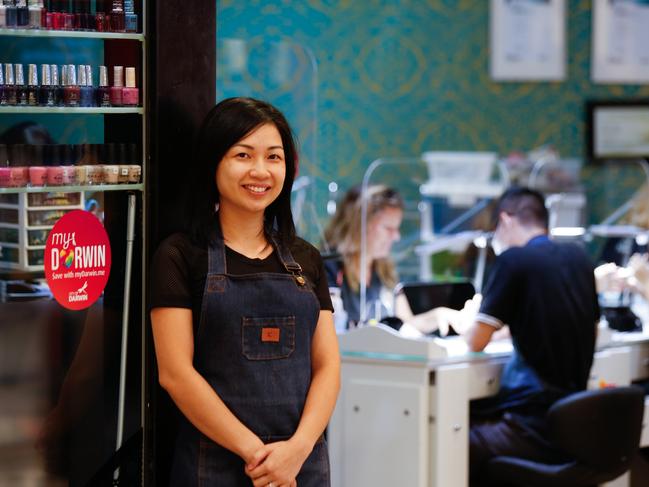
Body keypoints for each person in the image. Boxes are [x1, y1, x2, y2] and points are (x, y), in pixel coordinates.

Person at [150, 97, 340, 487]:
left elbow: (328, 366)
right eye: (243, 154)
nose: (260, 171)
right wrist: (259, 457)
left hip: (300, 466)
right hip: (215, 465)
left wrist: (298, 449)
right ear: (213, 162)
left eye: (274, 157)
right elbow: (175, 374)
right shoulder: (180, 256)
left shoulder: (306, 258)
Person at [459, 187, 599, 485]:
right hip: (573, 423)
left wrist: (462, 320)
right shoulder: (579, 259)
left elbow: (475, 341)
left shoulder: (515, 261)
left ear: (506, 220)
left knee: (453, 438)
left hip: (532, 425)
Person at [322, 184, 404, 326]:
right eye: (388, 228)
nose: (396, 236)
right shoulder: (328, 267)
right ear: (359, 225)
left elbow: (405, 322)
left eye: (396, 228)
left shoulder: (384, 269)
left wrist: (437, 316)